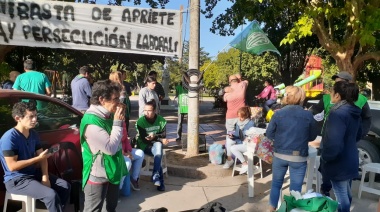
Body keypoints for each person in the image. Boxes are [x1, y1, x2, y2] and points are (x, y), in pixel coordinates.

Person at [309, 71, 372, 196]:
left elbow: (367, 118)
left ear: (348, 83)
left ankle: (344, 192)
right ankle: (326, 188)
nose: (336, 82)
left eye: (340, 80)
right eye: (336, 80)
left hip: (348, 139)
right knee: (325, 163)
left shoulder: (361, 99)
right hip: (329, 137)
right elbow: (315, 111)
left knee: (344, 169)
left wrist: (360, 134)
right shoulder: (327, 97)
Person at [0, 102, 71, 212]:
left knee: (65, 186)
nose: (34, 120)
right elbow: (12, 166)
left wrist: (45, 177)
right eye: (30, 117)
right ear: (18, 118)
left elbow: (43, 156)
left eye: (35, 115)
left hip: (32, 174)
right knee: (50, 195)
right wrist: (37, 159)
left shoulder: (33, 134)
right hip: (16, 180)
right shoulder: (9, 138)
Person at [266, 86, 318, 211]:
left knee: (276, 184)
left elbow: (269, 134)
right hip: (298, 157)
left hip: (279, 154)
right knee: (295, 189)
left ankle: (271, 209)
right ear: (301, 98)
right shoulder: (308, 115)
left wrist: (279, 140)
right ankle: (290, 209)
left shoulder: (278, 114)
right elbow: (312, 136)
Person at [80, 79, 127, 212]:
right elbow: (110, 148)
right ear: (102, 99)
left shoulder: (108, 115)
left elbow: (120, 139)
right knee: (94, 209)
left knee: (111, 207)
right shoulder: (91, 121)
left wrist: (119, 121)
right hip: (97, 173)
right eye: (115, 99)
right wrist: (117, 123)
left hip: (112, 170)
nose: (119, 102)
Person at [320, 81, 361, 212]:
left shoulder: (337, 113)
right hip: (350, 157)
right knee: (346, 193)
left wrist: (326, 157)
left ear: (337, 95)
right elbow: (358, 134)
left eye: (332, 92)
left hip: (339, 162)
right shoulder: (354, 111)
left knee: (341, 196)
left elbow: (334, 142)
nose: (330, 94)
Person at [136, 100, 169, 191]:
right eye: (145, 110)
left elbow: (163, 135)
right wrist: (159, 139)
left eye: (149, 110)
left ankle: (155, 175)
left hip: (156, 146)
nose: (146, 112)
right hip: (144, 147)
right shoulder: (140, 122)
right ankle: (159, 180)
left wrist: (155, 137)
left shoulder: (161, 121)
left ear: (155, 111)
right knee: (158, 152)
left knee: (158, 147)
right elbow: (144, 139)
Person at [222, 107, 255, 175]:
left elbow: (250, 136)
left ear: (246, 116)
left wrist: (240, 137)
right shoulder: (238, 122)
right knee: (229, 141)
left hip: (247, 143)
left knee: (233, 148)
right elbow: (237, 133)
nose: (240, 119)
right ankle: (229, 159)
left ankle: (244, 163)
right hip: (240, 140)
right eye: (239, 117)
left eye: (241, 117)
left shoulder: (251, 123)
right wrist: (232, 135)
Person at [119, 122, 144, 191]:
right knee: (127, 161)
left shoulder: (123, 123)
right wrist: (124, 154)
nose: (122, 115)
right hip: (116, 152)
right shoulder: (111, 123)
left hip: (124, 150)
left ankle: (134, 179)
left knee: (140, 153)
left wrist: (129, 151)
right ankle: (118, 188)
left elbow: (125, 139)